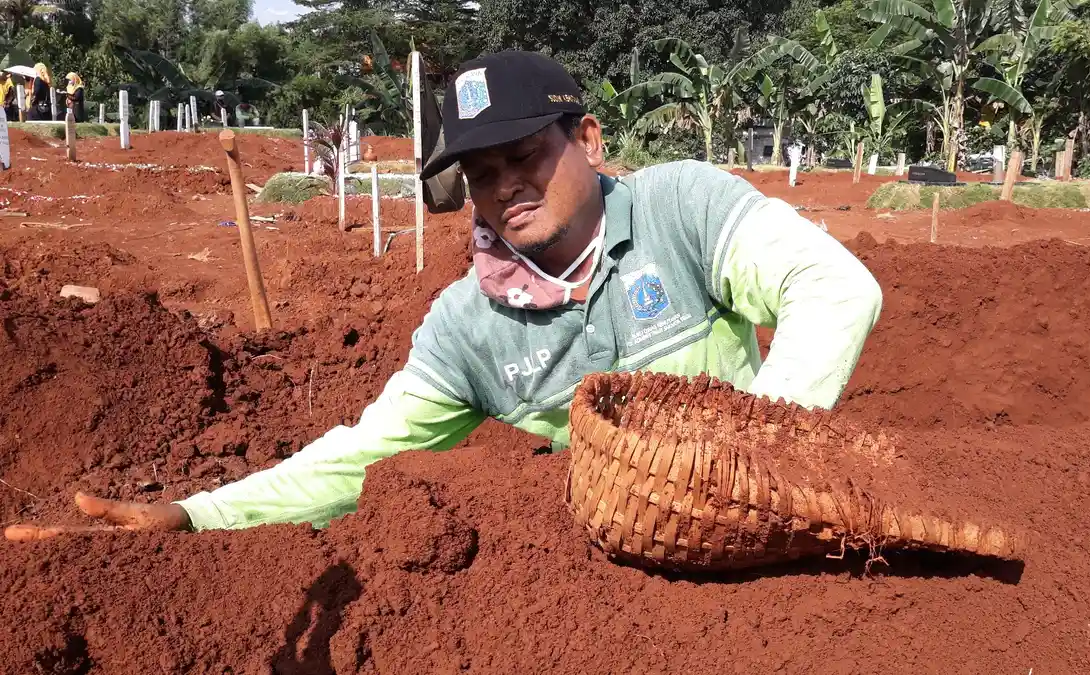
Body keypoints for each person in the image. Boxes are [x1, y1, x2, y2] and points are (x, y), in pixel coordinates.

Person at [4, 51, 883, 540]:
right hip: (626, 560)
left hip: (768, 525)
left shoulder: (681, 206)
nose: (505, 188)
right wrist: (193, 513)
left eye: (525, 157)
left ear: (587, 136)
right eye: (482, 173)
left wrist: (755, 458)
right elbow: (359, 457)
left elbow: (833, 287)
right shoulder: (470, 326)